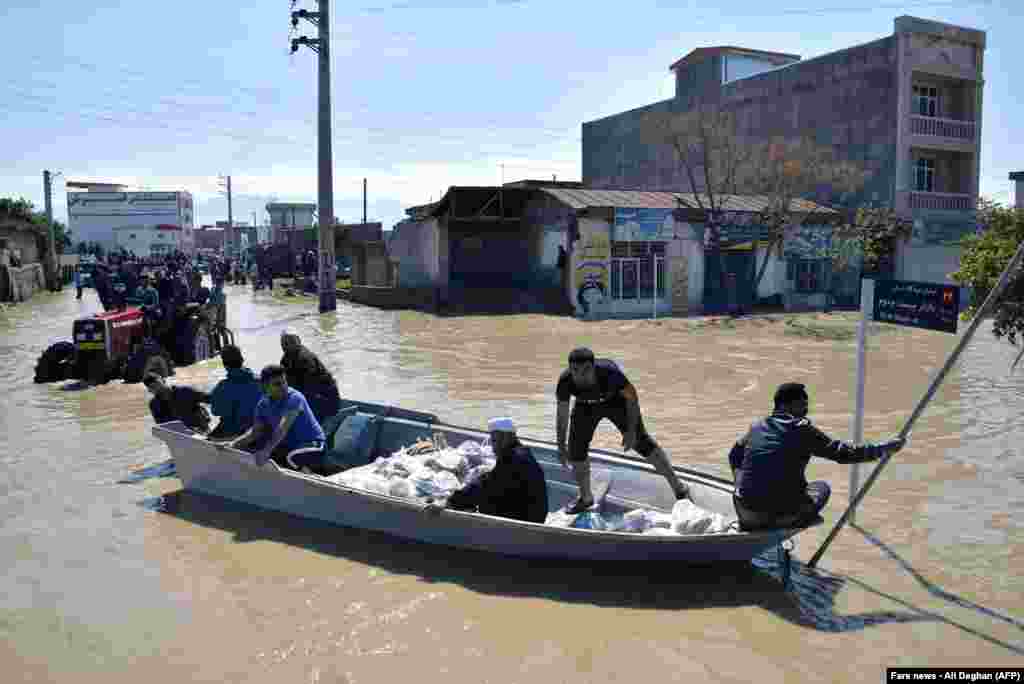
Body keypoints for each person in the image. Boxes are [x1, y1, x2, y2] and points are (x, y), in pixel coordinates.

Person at [727, 382, 906, 531]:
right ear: (785, 405)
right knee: (821, 488)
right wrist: (884, 448)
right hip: (775, 517)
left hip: (744, 511)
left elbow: (734, 455)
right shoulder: (800, 428)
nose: (806, 410)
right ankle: (787, 518)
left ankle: (759, 505)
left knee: (763, 484)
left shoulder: (757, 426)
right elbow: (844, 453)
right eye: (802, 405)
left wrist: (741, 484)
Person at [555, 347, 689, 514]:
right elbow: (562, 416)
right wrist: (561, 446)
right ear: (570, 369)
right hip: (585, 405)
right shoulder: (565, 381)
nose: (581, 375)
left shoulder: (610, 373)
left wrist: (631, 431)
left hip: (616, 401)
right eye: (575, 370)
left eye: (586, 370)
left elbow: (632, 397)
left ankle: (678, 487)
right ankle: (586, 498)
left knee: (642, 442)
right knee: (575, 451)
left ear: (594, 367)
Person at [424, 417, 549, 523]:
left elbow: (486, 485)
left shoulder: (513, 459)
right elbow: (492, 479)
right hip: (535, 516)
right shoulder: (522, 454)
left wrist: (449, 501)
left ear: (506, 438)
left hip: (526, 519)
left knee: (480, 500)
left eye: (494, 441)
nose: (493, 447)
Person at [222, 364, 327, 474]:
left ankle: (311, 477)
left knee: (290, 458)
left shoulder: (295, 398)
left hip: (314, 445)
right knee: (254, 449)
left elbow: (282, 428)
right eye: (277, 384)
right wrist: (233, 444)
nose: (283, 387)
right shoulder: (263, 404)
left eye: (284, 382)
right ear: (265, 386)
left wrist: (266, 451)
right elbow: (255, 433)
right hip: (289, 446)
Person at [279, 329, 341, 423]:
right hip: (310, 396)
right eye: (285, 343)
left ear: (299, 341)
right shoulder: (285, 359)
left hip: (326, 400)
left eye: (291, 341)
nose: (288, 345)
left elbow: (309, 387)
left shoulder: (305, 358)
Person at [207, 345, 264, 440]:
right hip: (257, 430)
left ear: (224, 364)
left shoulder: (222, 387)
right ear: (242, 360)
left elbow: (215, 411)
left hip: (232, 432)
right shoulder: (261, 381)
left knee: (208, 440)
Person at [143, 372, 212, 434]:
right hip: (179, 436)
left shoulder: (185, 391)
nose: (157, 388)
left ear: (163, 380)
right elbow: (163, 425)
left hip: (201, 430)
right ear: (150, 390)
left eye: (157, 384)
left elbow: (210, 399)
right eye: (152, 387)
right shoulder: (154, 405)